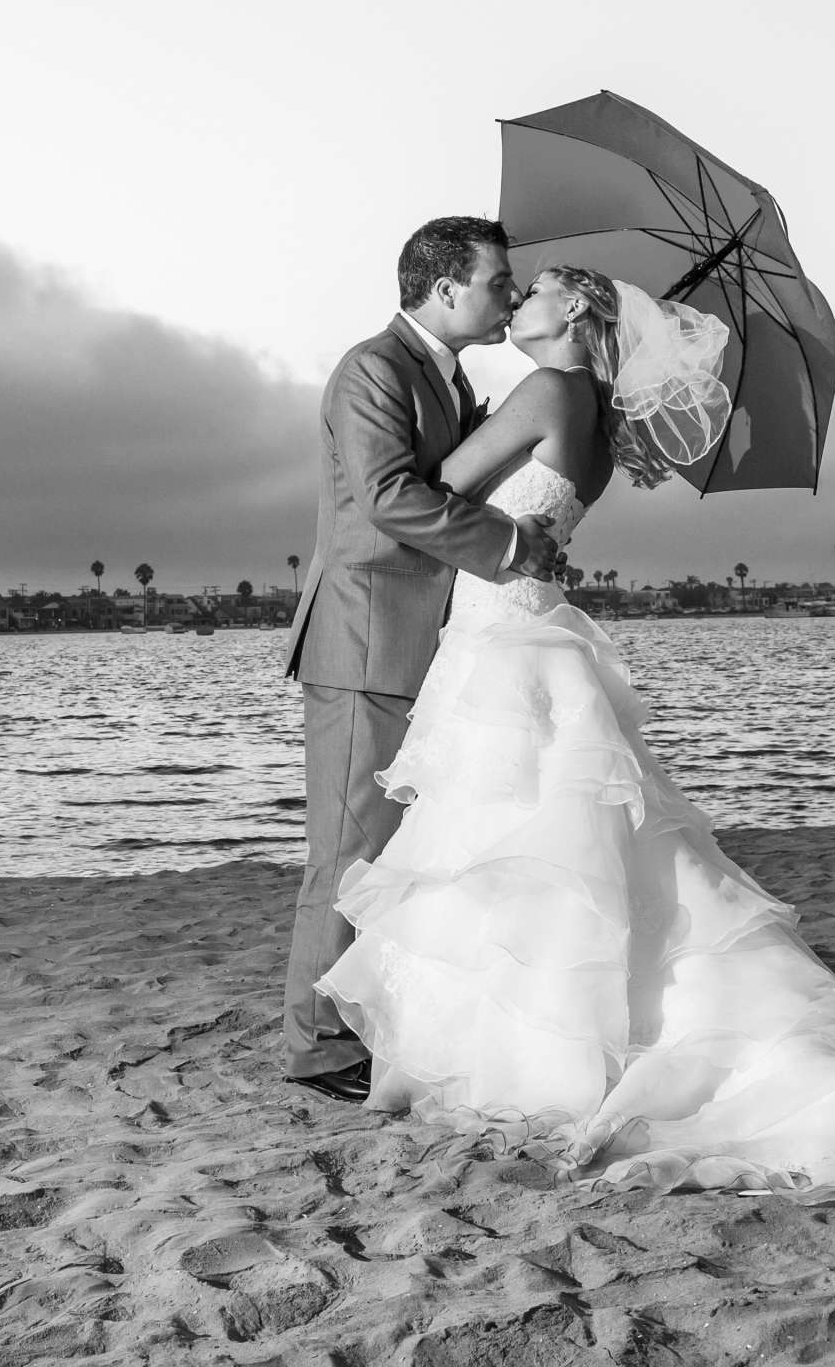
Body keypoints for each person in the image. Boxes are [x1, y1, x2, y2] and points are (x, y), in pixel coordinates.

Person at [312, 264, 835, 1205]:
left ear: (573, 311)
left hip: (506, 638)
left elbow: (429, 486)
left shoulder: (545, 389)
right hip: (522, 624)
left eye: (530, 293)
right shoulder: (587, 409)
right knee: (545, 849)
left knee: (516, 848)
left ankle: (527, 1051)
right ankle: (549, 1039)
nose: (515, 299)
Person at [281, 217, 567, 1103]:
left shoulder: (446, 379)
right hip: (364, 641)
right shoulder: (372, 370)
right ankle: (318, 1046)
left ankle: (370, 1017)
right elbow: (391, 497)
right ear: (444, 290)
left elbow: (458, 475)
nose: (509, 295)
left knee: (399, 851)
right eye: (496, 281)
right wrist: (515, 546)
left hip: (425, 642)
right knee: (347, 850)